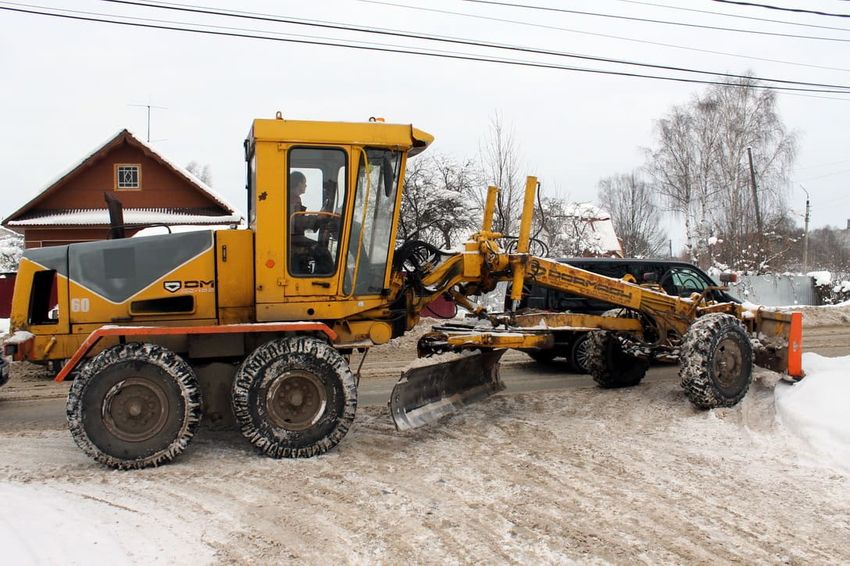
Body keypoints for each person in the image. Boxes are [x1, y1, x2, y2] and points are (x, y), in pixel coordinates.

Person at [288, 171, 334, 275]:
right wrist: (317, 217)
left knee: (320, 250)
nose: (306, 185)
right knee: (323, 253)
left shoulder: (292, 198)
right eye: (304, 183)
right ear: (298, 183)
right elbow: (296, 222)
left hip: (293, 237)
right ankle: (323, 279)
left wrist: (318, 218)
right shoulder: (292, 199)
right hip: (292, 238)